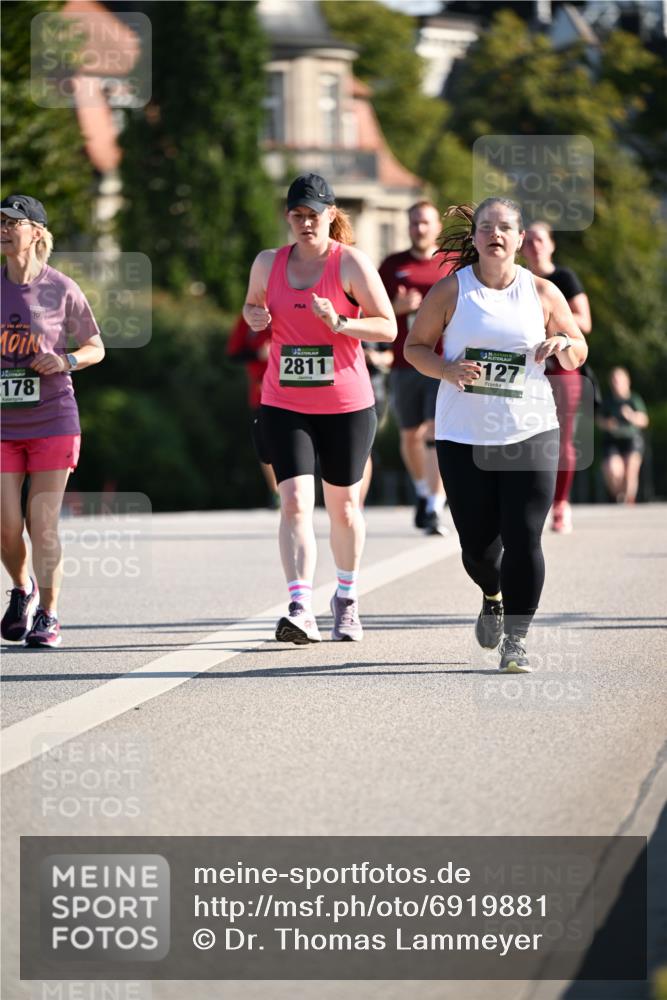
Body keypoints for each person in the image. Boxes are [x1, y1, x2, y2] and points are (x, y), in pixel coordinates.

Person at [404, 198, 587, 673]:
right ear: (475, 237)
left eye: (505, 227)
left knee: (524, 538)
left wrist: (563, 343)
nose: (495, 234)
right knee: (479, 548)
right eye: (486, 227)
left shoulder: (542, 292)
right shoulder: (451, 291)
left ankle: (517, 641)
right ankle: (492, 594)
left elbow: (578, 350)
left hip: (530, 430)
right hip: (464, 434)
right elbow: (414, 348)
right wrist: (445, 369)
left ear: (520, 238)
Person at [243, 173, 396, 644]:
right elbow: (251, 308)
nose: (306, 223)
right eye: (298, 215)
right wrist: (254, 315)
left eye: (314, 215)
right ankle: (300, 606)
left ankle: (346, 598)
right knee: (293, 502)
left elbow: (388, 327)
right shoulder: (268, 263)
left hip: (345, 404)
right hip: (284, 401)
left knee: (344, 509)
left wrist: (341, 322)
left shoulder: (349, 262)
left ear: (331, 215)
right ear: (287, 217)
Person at [1, 194, 105, 647]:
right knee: (6, 526)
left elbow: (96, 347)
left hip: (53, 420)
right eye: (0, 222)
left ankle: (49, 612)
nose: (4, 229)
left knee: (41, 524)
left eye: (13, 222)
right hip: (3, 426)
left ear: (36, 232)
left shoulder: (60, 288)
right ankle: (21, 588)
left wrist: (66, 360)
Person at [379, 201, 449, 535]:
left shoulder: (452, 264)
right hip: (405, 363)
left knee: (436, 432)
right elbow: (371, 313)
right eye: (414, 223)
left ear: (437, 227)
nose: (419, 228)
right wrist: (397, 307)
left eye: (425, 222)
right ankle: (423, 491)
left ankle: (435, 505)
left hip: (443, 362)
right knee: (410, 435)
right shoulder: (392, 266)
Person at [522, 221, 592, 534]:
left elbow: (584, 322)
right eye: (529, 240)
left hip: (562, 366)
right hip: (527, 367)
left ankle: (561, 504)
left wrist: (550, 320)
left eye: (540, 239)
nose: (534, 246)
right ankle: (527, 502)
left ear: (551, 245)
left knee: (562, 438)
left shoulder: (563, 278)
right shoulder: (518, 280)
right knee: (521, 435)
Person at [225, 314, 279, 508]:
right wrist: (258, 354)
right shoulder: (249, 316)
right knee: (267, 445)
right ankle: (277, 492)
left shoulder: (294, 308)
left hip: (295, 392)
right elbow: (233, 354)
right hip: (261, 392)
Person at [598, 367, 649, 504]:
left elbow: (644, 420)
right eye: (614, 380)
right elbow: (600, 420)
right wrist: (607, 424)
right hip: (613, 440)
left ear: (627, 381)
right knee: (613, 470)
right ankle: (619, 497)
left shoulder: (634, 399)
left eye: (619, 380)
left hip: (632, 440)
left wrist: (631, 416)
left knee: (631, 469)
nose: (616, 383)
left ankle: (629, 500)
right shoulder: (608, 401)